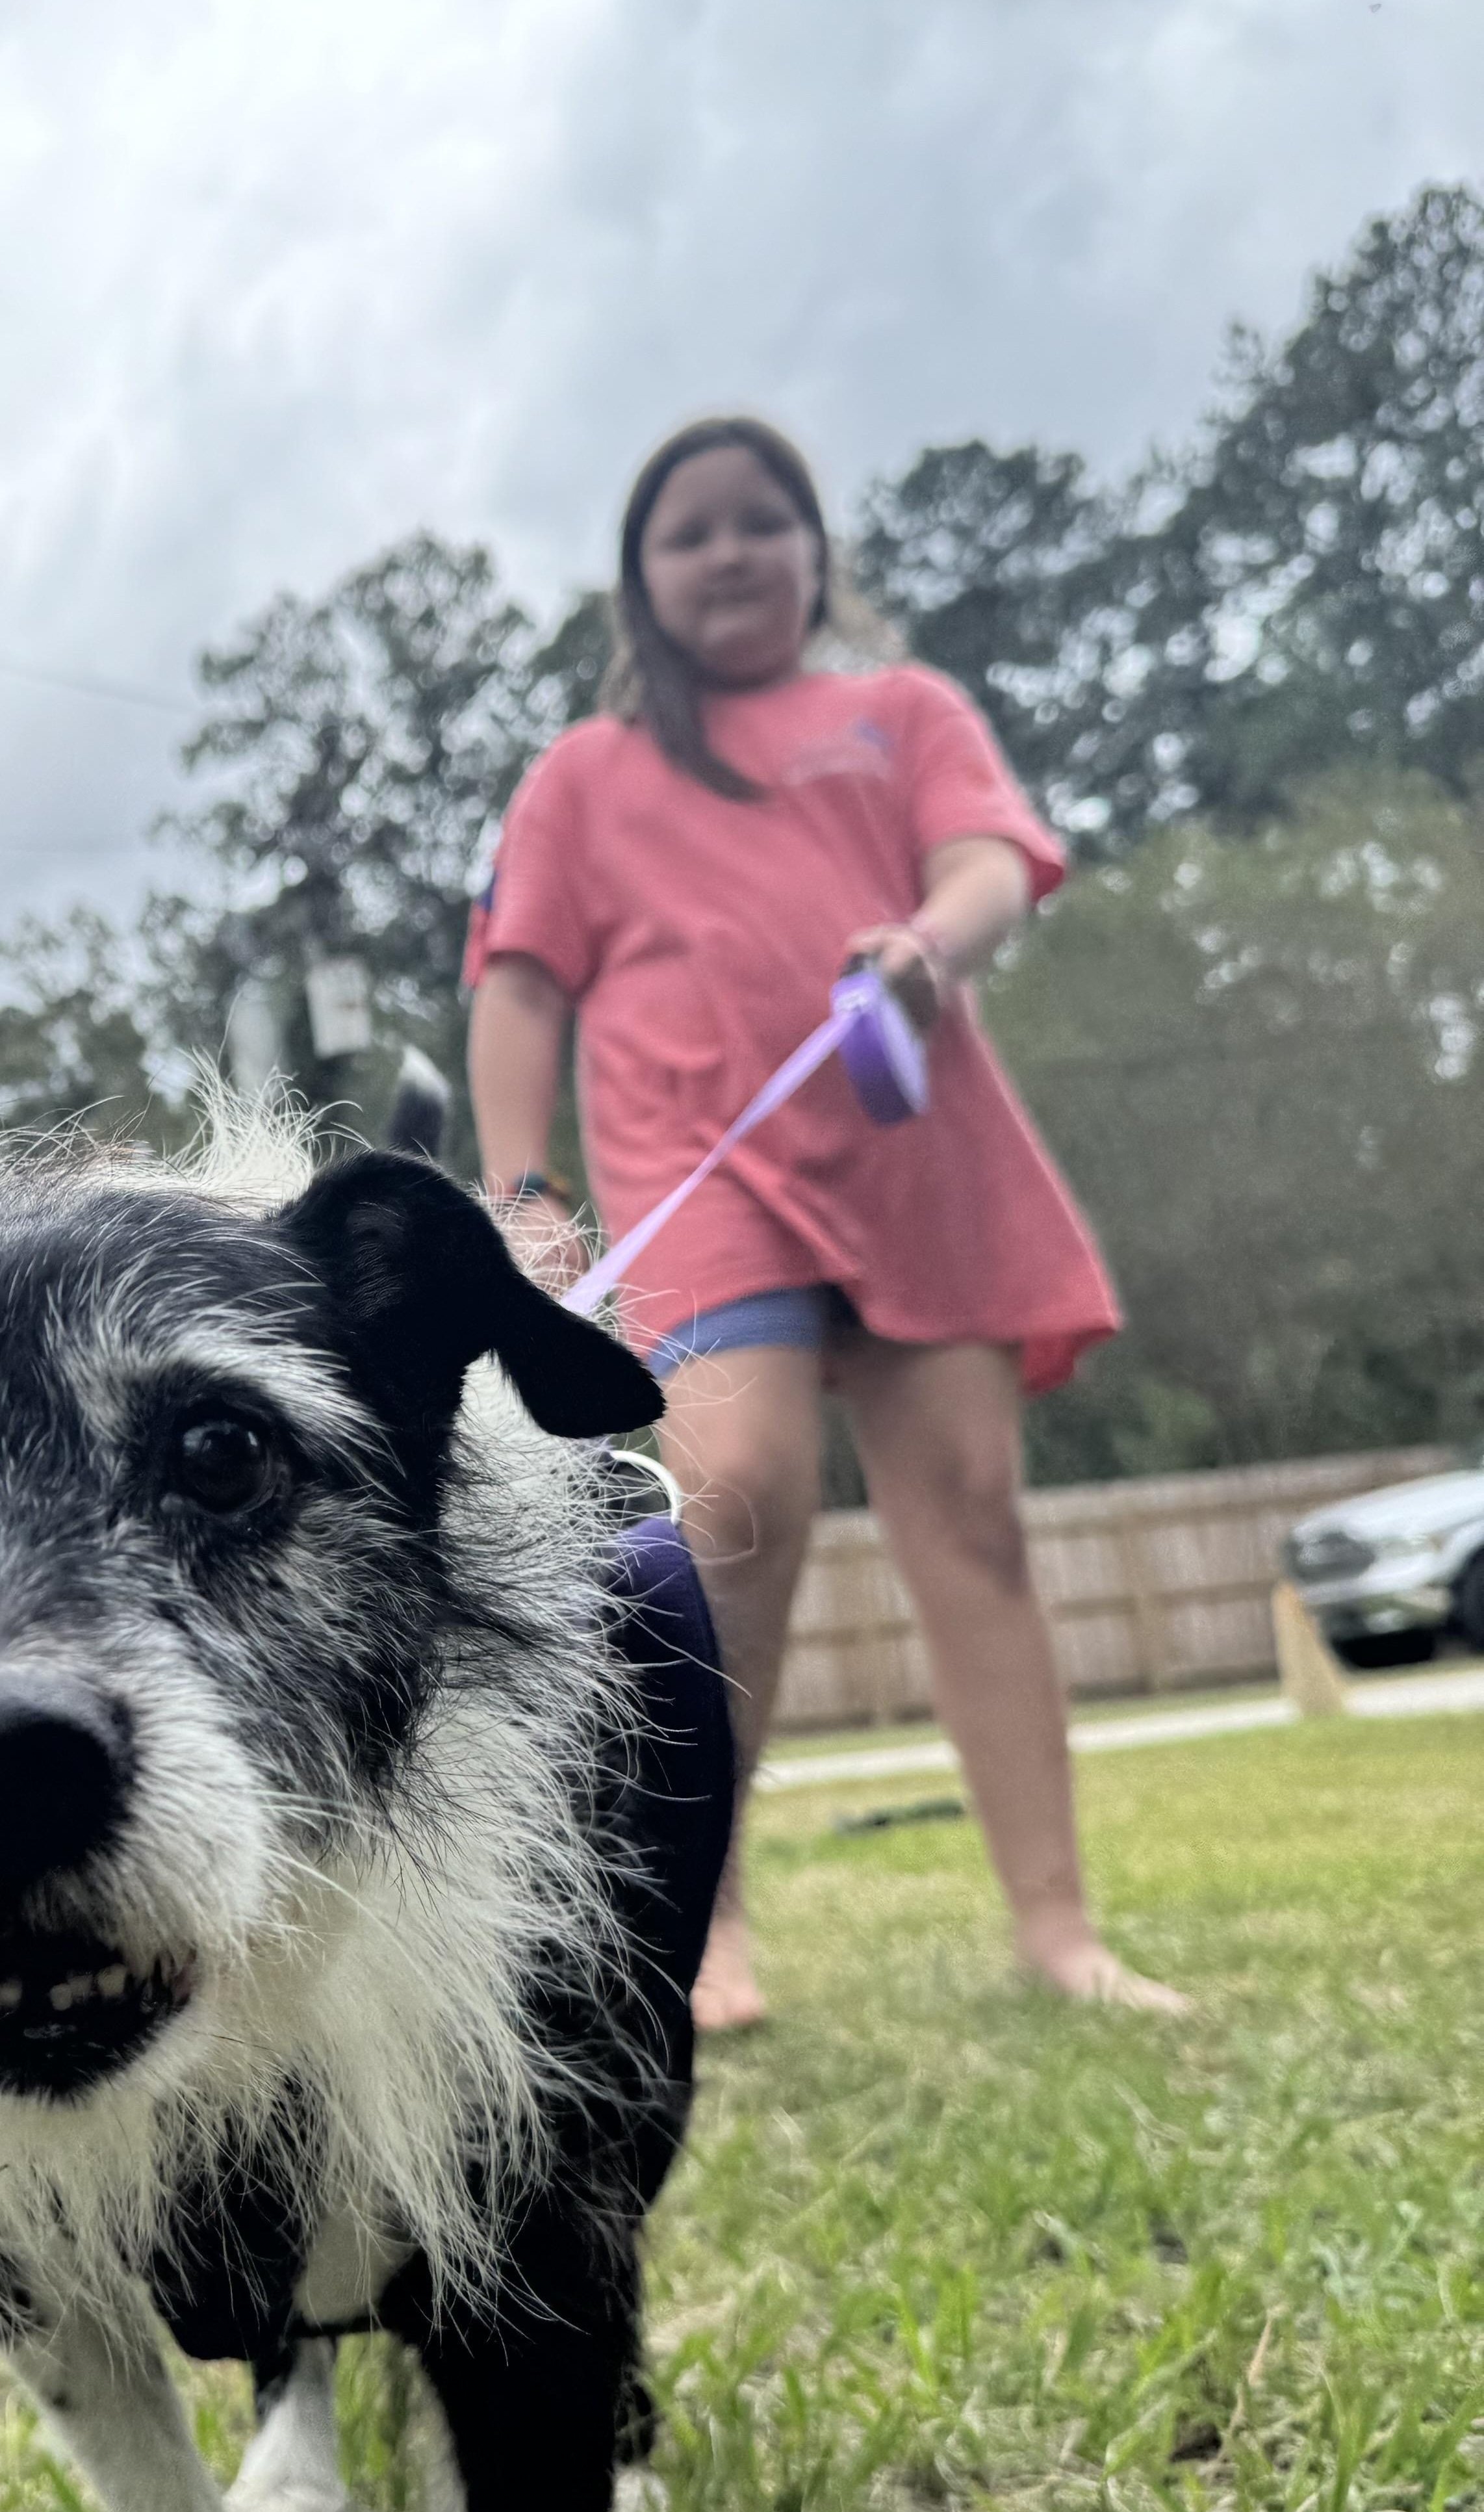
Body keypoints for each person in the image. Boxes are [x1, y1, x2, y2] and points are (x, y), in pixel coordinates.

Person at [465, 415, 1185, 2031]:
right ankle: (699, 1926)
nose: (729, 552)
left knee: (977, 1518)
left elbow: (993, 862)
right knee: (733, 1486)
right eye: (689, 531)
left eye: (761, 521)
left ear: (815, 551)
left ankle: (1060, 1934)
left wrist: (934, 941)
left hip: (919, 1166)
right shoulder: (585, 777)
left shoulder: (901, 711)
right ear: (642, 581)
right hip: (705, 1168)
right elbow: (517, 991)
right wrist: (524, 1192)